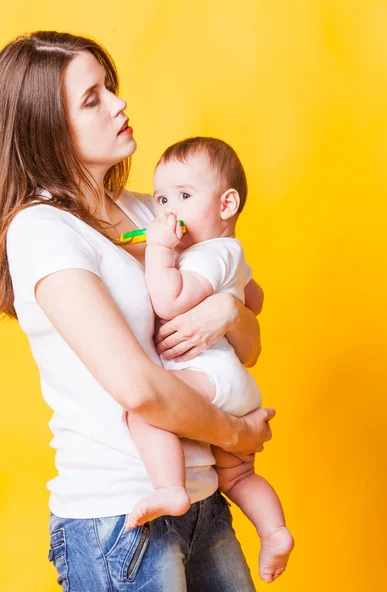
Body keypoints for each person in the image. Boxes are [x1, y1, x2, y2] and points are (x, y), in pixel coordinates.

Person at [0, 31, 275, 591]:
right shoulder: (41, 230)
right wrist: (235, 434)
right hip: (120, 518)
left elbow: (249, 339)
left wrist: (226, 308)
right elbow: (139, 390)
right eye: (92, 98)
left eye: (111, 87)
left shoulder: (150, 208)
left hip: (204, 502)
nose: (119, 104)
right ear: (48, 127)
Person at [126, 137, 294, 583]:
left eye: (183, 196)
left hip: (211, 375)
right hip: (231, 382)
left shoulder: (210, 253)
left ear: (227, 203)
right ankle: (274, 531)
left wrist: (161, 250)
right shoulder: (230, 253)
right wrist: (233, 296)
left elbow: (169, 299)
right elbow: (255, 298)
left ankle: (170, 489)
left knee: (145, 413)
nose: (168, 210)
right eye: (161, 198)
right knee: (237, 475)